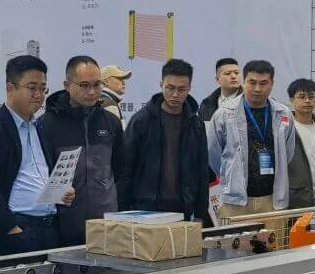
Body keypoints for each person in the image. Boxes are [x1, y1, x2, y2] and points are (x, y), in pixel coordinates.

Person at [0, 56, 73, 255]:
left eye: (43, 88)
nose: (38, 95)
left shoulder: (40, 127)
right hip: (19, 229)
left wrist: (60, 192)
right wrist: (10, 227)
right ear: (10, 88)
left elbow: (39, 175)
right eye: (32, 88)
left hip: (51, 228)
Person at [38, 56, 125, 246]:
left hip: (106, 227)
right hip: (63, 228)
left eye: (97, 84)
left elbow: (119, 170)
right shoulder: (47, 124)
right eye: (84, 85)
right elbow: (41, 175)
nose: (92, 91)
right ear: (67, 85)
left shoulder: (111, 122)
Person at [119, 59, 209, 222]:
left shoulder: (196, 124)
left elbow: (201, 171)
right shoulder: (141, 121)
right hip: (145, 209)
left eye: (181, 89)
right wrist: (121, 213)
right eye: (170, 88)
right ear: (161, 84)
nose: (175, 94)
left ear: (189, 88)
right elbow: (126, 170)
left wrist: (201, 214)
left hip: (182, 210)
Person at [208, 60, 296, 220]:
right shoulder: (224, 114)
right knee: (233, 238)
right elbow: (214, 155)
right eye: (252, 82)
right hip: (235, 203)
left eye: (263, 83)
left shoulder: (284, 114)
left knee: (275, 238)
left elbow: (288, 154)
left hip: (273, 201)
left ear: (272, 84)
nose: (257, 89)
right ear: (244, 81)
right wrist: (231, 176)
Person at [287, 79, 315, 209]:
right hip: (294, 199)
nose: (307, 100)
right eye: (302, 97)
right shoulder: (285, 130)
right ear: (292, 100)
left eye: (311, 97)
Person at [198, 57, 241, 123]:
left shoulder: (250, 100)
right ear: (217, 79)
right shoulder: (206, 105)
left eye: (236, 73)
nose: (233, 76)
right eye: (228, 73)